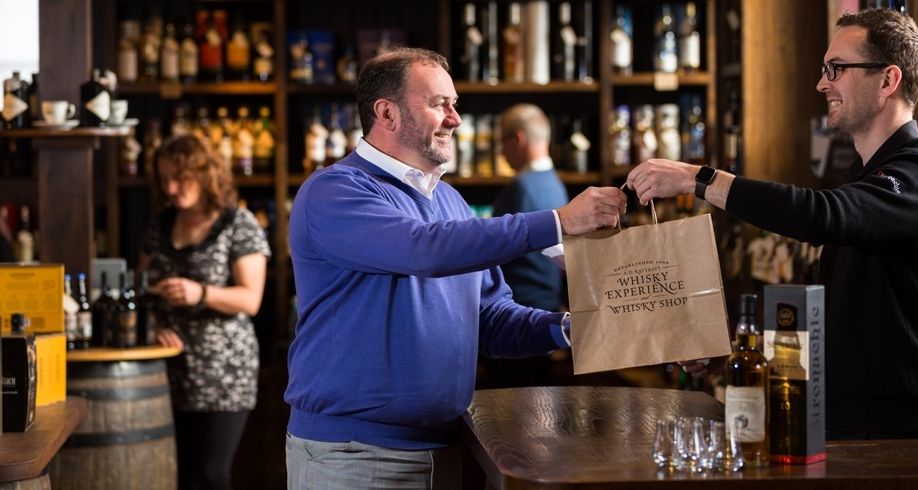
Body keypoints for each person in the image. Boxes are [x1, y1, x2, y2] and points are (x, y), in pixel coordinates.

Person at [285, 47, 626, 489]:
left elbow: (491, 319)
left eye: (455, 104)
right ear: (386, 113)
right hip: (355, 457)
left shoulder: (450, 201)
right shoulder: (334, 192)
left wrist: (572, 326)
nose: (455, 119)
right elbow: (422, 251)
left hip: (447, 451)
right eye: (438, 104)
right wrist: (559, 222)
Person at [626, 8, 918, 440]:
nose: (822, 83)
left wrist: (699, 179)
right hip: (843, 433)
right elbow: (847, 323)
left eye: (837, 69)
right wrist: (739, 355)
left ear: (888, 81)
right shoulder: (867, 178)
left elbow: (819, 215)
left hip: (900, 440)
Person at [138, 135, 270, 489]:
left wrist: (201, 293)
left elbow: (250, 300)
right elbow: (143, 291)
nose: (171, 188)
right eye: (164, 179)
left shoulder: (237, 223)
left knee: (212, 475)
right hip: (168, 369)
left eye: (180, 178)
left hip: (223, 373)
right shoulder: (159, 225)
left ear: (205, 174)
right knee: (177, 473)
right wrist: (152, 326)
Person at [493, 103, 570, 312]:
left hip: (518, 308)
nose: (501, 153)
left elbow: (493, 250)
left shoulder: (521, 188)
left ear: (518, 140)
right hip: (548, 305)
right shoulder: (554, 182)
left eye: (502, 143)